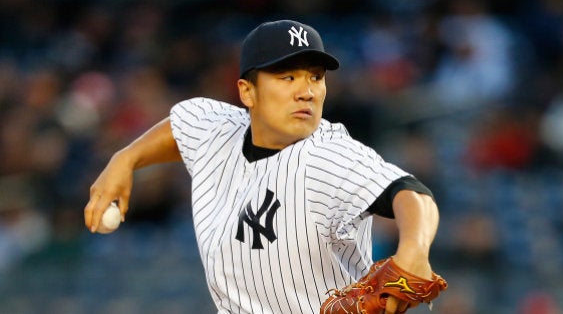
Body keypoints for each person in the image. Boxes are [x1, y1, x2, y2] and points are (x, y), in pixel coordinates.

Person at [84, 19, 441, 314]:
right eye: (287, 77)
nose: (307, 91)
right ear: (247, 92)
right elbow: (181, 129)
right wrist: (125, 159)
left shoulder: (329, 155)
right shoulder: (218, 128)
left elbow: (412, 195)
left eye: (315, 77)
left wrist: (414, 248)